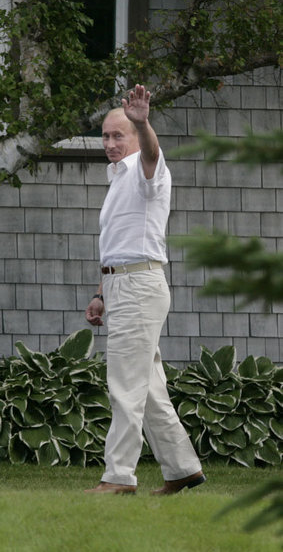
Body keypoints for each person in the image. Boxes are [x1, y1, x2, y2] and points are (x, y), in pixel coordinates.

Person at [85, 84, 205, 495]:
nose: (111, 142)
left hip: (139, 286)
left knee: (125, 385)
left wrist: (144, 122)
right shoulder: (116, 177)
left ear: (137, 137)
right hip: (123, 284)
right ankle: (182, 469)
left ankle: (118, 477)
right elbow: (119, 244)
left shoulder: (147, 169)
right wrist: (102, 293)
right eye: (106, 135)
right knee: (149, 388)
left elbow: (153, 155)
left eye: (120, 135)